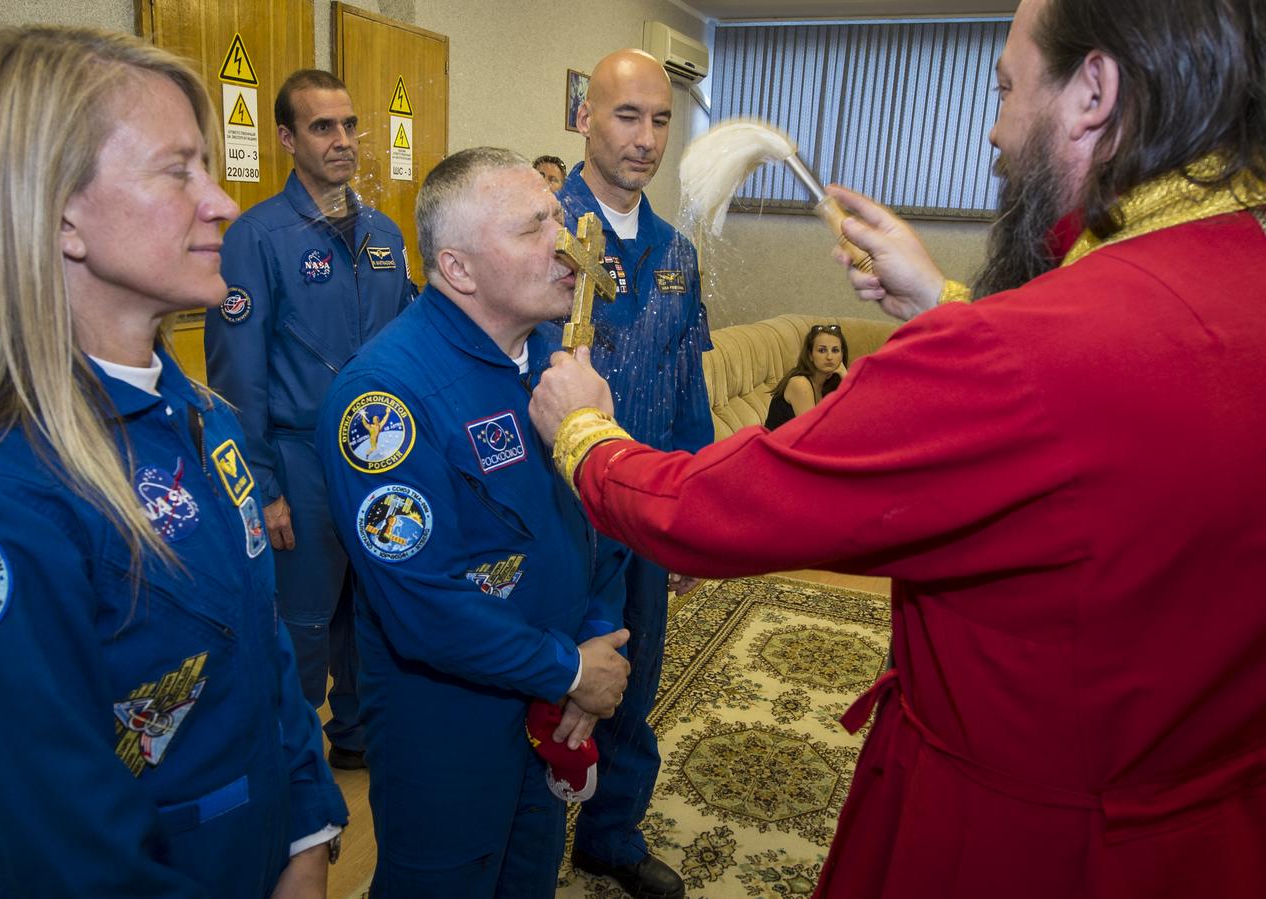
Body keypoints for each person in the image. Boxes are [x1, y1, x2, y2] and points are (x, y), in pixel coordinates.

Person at [530, 0, 1266, 896]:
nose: (993, 133)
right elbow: (1103, 400)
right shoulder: (1236, 274)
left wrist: (582, 432)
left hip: (1012, 840)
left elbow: (727, 505)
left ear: (1095, 91)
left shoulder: (1015, 351)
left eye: (1004, 88)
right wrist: (945, 305)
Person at [0, 26, 349, 898]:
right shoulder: (15, 490)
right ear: (62, 215)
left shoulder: (196, 411)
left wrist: (309, 826)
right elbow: (68, 851)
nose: (222, 203)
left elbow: (262, 648)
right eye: (176, 170)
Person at [315, 147, 631, 899]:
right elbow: (424, 606)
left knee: (528, 880)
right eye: (534, 229)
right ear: (458, 270)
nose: (566, 242)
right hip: (447, 726)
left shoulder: (560, 363)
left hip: (553, 704)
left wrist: (596, 641)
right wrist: (575, 671)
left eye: (559, 216)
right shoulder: (384, 397)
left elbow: (597, 521)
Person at [205, 69, 416, 770]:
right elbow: (238, 378)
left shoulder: (386, 232)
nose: (344, 140)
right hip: (298, 461)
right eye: (324, 127)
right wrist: (262, 487)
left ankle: (357, 736)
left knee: (374, 605)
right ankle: (286, 767)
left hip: (382, 455)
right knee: (302, 622)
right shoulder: (257, 237)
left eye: (351, 125)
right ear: (287, 138)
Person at [553, 47, 713, 899]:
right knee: (547, 682)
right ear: (584, 117)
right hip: (554, 510)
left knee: (636, 675)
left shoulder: (678, 254)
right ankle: (520, 839)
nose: (646, 137)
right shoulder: (539, 232)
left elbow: (690, 394)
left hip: (645, 507)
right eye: (627, 116)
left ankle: (610, 832)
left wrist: (693, 517)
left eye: (660, 119)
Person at [764, 323, 848, 430]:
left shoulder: (829, 384)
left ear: (842, 355)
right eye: (822, 350)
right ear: (810, 355)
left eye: (835, 350)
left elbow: (856, 419)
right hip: (775, 445)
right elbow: (813, 434)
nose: (829, 357)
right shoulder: (800, 383)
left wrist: (846, 378)